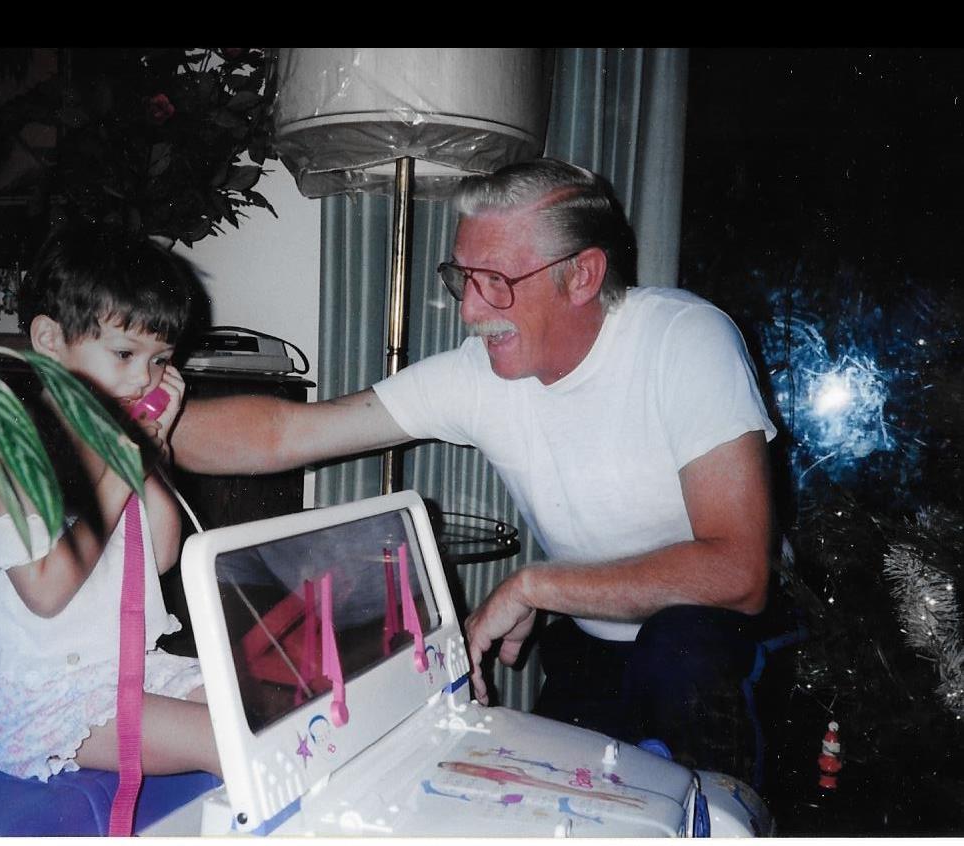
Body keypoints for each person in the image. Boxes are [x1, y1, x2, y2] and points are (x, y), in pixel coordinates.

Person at [171, 158, 777, 777]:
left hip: (710, 651)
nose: (470, 310)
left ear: (582, 275)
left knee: (680, 657)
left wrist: (535, 586)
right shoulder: (477, 376)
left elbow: (740, 571)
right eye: (464, 277)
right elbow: (283, 434)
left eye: (497, 280)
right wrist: (138, 417)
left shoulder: (684, 340)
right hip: (592, 644)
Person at [0, 221, 220, 782]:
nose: (144, 380)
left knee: (266, 709)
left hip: (129, 672)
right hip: (48, 701)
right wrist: (119, 474)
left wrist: (154, 452)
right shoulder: (11, 448)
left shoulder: (112, 438)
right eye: (125, 353)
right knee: (228, 742)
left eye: (160, 360)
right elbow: (45, 593)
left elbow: (162, 553)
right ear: (50, 340)